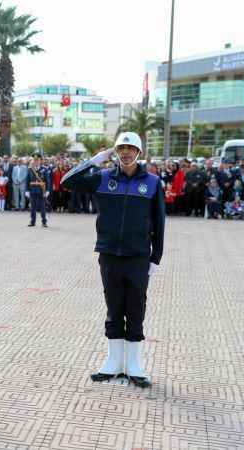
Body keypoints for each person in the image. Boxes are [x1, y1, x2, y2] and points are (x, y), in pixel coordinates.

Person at [61, 132, 165, 388]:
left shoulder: (152, 183)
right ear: (116, 152)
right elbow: (68, 181)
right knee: (114, 308)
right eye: (121, 148)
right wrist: (95, 160)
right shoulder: (103, 178)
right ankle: (113, 362)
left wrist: (156, 258)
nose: (126, 153)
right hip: (109, 254)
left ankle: (134, 365)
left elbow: (160, 223)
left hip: (138, 257)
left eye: (131, 148)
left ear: (139, 152)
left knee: (136, 308)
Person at [27, 155, 50, 228]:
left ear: (40, 161)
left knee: (42, 207)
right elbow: (27, 180)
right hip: (33, 190)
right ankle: (32, 221)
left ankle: (44, 222)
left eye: (37, 160)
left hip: (41, 190)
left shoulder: (44, 169)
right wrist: (27, 190)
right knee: (32, 207)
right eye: (35, 160)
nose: (36, 162)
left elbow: (48, 181)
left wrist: (48, 190)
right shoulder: (30, 169)